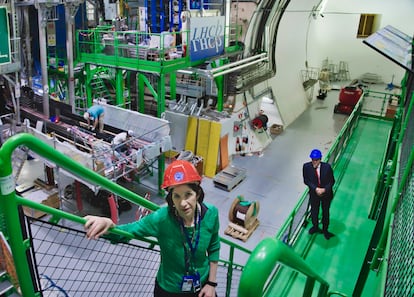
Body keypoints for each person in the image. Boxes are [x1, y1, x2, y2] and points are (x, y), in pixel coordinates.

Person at [84, 160, 220, 297]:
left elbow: (214, 246)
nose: (183, 203)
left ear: (197, 193)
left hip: (202, 284)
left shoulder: (211, 214)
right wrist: (109, 225)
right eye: (176, 196)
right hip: (169, 289)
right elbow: (128, 231)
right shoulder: (161, 219)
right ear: (171, 198)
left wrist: (211, 283)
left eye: (188, 194)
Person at [302, 149, 335, 240]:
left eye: (316, 160)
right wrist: (315, 188)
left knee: (325, 212)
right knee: (314, 212)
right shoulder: (306, 167)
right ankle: (315, 227)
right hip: (314, 194)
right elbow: (306, 180)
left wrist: (324, 190)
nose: (314, 161)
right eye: (313, 159)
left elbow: (332, 181)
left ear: (320, 159)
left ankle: (325, 230)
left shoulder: (327, 167)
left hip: (326, 195)